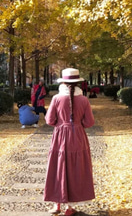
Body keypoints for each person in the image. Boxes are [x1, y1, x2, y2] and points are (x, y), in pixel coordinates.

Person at [43, 68, 95, 216]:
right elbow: (89, 122)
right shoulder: (84, 100)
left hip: (60, 136)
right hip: (78, 136)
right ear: (78, 82)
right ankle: (70, 208)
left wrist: (62, 123)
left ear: (63, 82)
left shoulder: (56, 99)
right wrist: (77, 123)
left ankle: (57, 205)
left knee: (58, 167)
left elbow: (49, 120)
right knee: (76, 170)